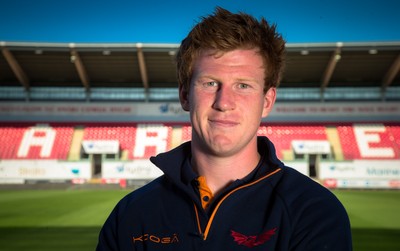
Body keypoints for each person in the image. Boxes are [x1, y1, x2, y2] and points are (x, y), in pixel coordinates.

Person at [96, 7, 352, 251]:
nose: (224, 103)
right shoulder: (131, 214)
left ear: (267, 101)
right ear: (185, 95)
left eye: (243, 86)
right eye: (210, 83)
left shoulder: (314, 212)